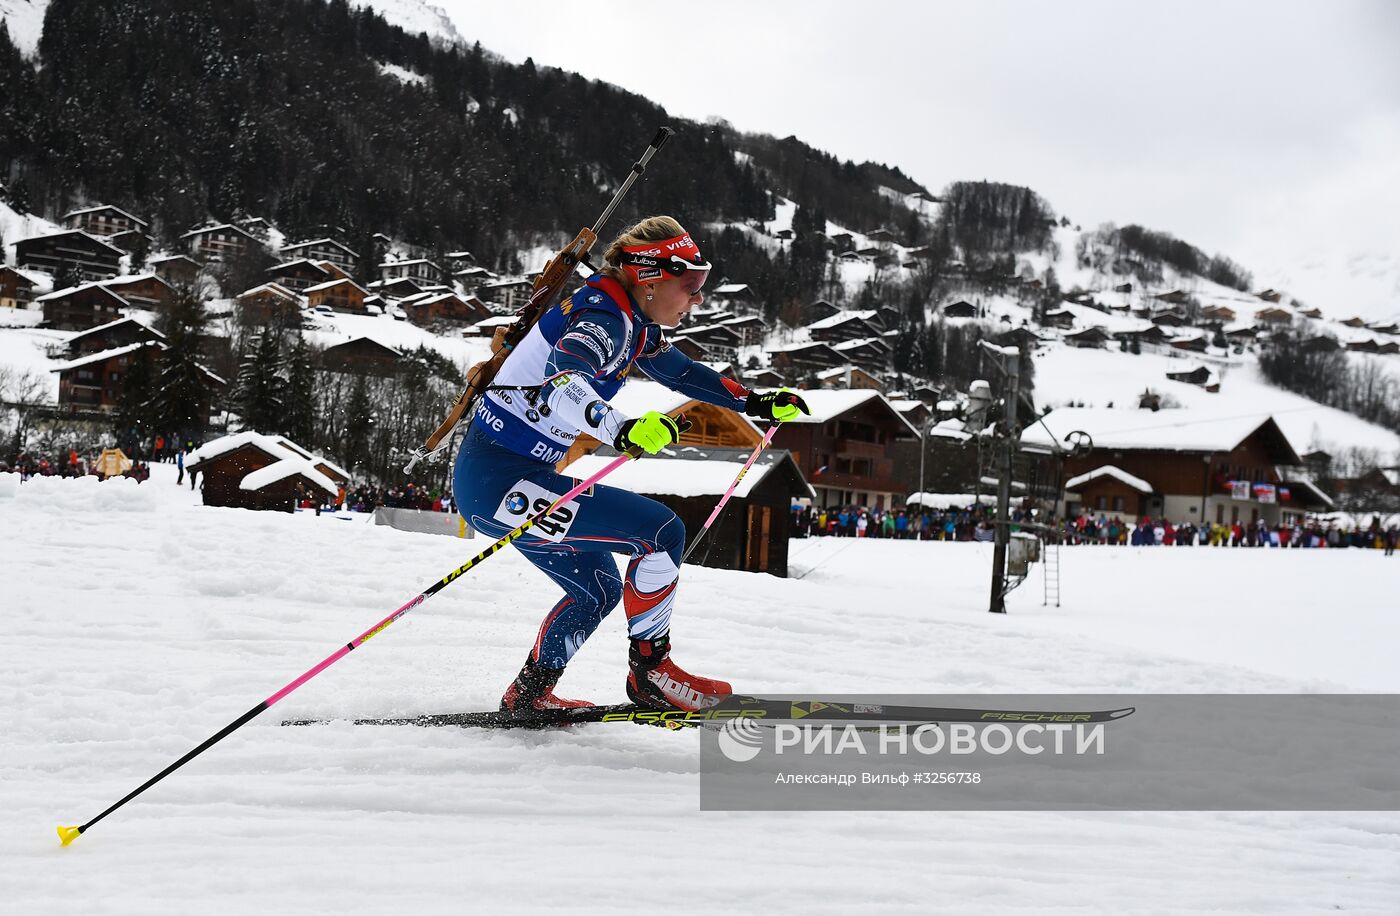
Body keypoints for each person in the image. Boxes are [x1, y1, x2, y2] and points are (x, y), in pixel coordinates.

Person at [452, 216, 810, 714]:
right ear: (648, 277)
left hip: (511, 480)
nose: (697, 298)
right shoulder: (601, 319)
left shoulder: (632, 322)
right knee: (659, 531)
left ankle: (528, 697)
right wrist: (619, 428)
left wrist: (755, 402)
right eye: (691, 284)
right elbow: (564, 383)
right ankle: (652, 674)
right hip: (499, 484)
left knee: (596, 589)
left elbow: (680, 371)